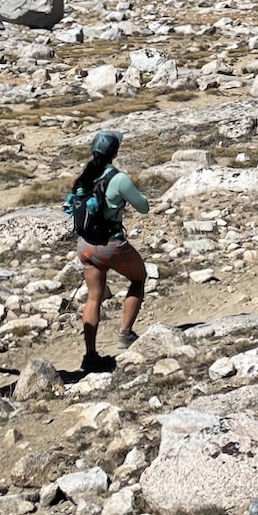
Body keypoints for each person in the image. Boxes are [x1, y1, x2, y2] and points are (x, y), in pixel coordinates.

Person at [68, 130, 151, 372]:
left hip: (85, 246)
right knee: (138, 278)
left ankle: (90, 355)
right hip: (110, 245)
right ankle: (125, 332)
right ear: (115, 153)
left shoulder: (84, 177)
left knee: (93, 298)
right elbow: (143, 207)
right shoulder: (118, 179)